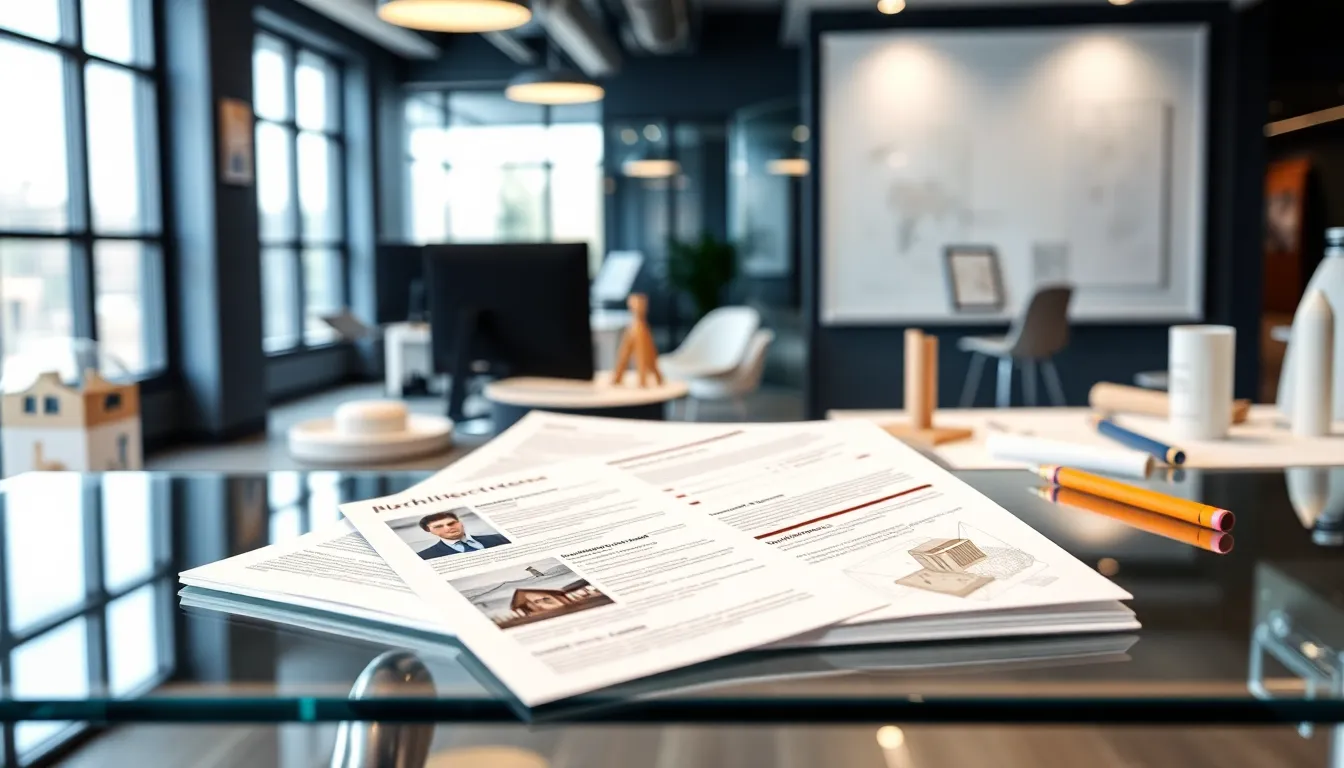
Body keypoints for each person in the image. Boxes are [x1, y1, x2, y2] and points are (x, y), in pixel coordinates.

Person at [416, 510, 510, 560]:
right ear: (428, 530)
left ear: (460, 523)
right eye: (439, 526)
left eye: (451, 523)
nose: (448, 528)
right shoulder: (424, 556)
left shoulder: (500, 538)